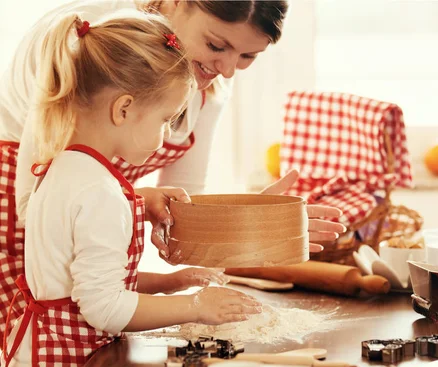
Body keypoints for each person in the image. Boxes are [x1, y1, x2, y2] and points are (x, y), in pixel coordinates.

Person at [0, 0, 345, 348]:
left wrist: (252, 221)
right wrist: (128, 205)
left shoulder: (209, 83)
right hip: (15, 209)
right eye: (216, 45)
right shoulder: (91, 44)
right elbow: (39, 207)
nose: (227, 70)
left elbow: (180, 206)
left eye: (247, 57)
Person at [1, 11, 265, 367]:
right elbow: (103, 308)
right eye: (164, 119)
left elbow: (87, 281)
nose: (165, 136)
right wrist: (195, 306)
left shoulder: (61, 171)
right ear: (123, 109)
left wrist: (166, 284)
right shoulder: (100, 195)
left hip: (35, 362)